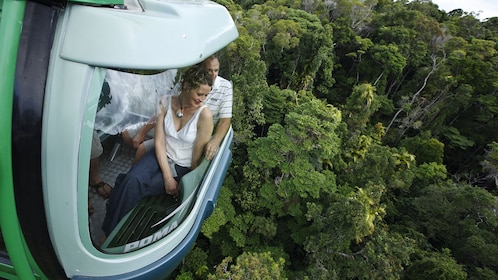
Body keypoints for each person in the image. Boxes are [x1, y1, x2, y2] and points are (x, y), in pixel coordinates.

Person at [101, 65, 214, 237]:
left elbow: (197, 156)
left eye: (206, 95)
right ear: (186, 86)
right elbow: (159, 141)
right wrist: (167, 178)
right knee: (132, 180)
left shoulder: (204, 116)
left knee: (134, 187)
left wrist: (189, 185)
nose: (202, 100)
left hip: (181, 165)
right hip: (160, 155)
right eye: (199, 94)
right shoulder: (164, 102)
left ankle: (113, 219)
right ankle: (109, 232)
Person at [123, 54, 233, 163]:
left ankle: (157, 161)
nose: (213, 75)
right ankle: (151, 161)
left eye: (216, 70)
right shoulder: (187, 84)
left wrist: (216, 140)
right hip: (172, 127)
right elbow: (165, 107)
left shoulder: (225, 87)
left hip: (195, 134)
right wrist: (142, 132)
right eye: (209, 71)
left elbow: (225, 121)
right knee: (127, 134)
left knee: (144, 149)